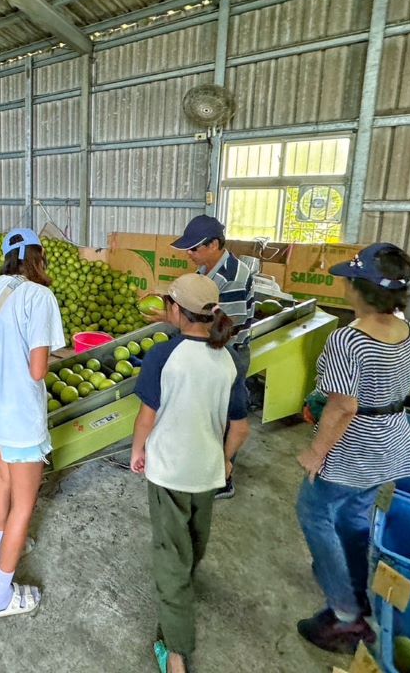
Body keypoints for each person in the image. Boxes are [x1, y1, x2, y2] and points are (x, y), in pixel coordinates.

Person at [295, 243, 410, 653]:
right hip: (389, 442)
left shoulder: (347, 340)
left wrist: (316, 454)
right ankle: (359, 597)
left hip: (352, 450)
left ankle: (344, 615)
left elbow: (342, 408)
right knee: (354, 518)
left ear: (361, 289)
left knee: (314, 513)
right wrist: (387, 385)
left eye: (349, 279)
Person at [130, 273, 251, 673]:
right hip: (207, 470)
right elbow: (240, 426)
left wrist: (137, 451)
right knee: (196, 538)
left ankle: (176, 650)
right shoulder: (229, 359)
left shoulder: (163, 355)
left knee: (171, 557)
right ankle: (185, 582)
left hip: (169, 471)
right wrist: (228, 459)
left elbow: (146, 418)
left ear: (176, 311)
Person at [0, 227, 65, 618]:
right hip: (19, 415)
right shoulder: (39, 296)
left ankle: (0, 550)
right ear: (37, 258)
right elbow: (38, 370)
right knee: (24, 506)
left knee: (4, 479)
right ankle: (0, 597)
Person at [172, 214, 254, 499]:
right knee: (210, 414)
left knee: (229, 415)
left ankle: (224, 476)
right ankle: (206, 465)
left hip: (229, 353)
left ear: (215, 244)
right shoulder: (205, 270)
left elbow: (224, 328)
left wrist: (179, 323)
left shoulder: (231, 276)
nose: (189, 255)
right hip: (212, 348)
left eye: (194, 249)